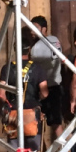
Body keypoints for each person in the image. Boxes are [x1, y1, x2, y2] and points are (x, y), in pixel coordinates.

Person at [0, 32, 48, 152]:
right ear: (29, 49)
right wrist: (37, 100)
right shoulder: (38, 68)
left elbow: (1, 93)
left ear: (15, 49)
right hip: (32, 114)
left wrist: (9, 104)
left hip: (13, 114)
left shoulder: (7, 68)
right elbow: (45, 92)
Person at [30, 14, 63, 145]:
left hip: (43, 89)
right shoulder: (55, 40)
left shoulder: (36, 48)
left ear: (44, 29)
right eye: (31, 28)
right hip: (57, 86)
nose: (32, 32)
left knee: (36, 123)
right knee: (56, 124)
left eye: (35, 28)